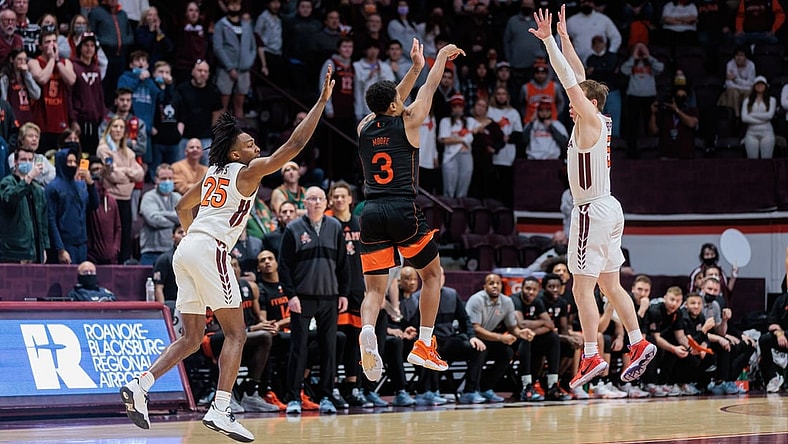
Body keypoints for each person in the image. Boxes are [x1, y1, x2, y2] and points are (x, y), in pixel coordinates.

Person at [119, 67, 334, 442]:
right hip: (208, 250)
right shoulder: (246, 172)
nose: (257, 149)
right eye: (251, 144)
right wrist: (320, 103)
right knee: (237, 333)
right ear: (237, 152)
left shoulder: (214, 171)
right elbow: (294, 147)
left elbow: (184, 206)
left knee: (190, 336)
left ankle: (141, 384)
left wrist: (192, 235)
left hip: (186, 249)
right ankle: (221, 408)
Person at [530, 6, 656, 391]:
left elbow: (570, 81)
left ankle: (590, 354)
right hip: (609, 207)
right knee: (610, 285)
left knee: (580, 288)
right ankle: (638, 342)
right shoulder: (598, 119)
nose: (571, 103)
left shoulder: (587, 117)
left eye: (579, 100)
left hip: (589, 212)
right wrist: (566, 38)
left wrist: (549, 41)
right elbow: (581, 77)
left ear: (591, 104)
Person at [355, 39, 465, 382]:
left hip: (370, 211)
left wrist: (414, 68)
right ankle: (424, 342)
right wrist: (438, 60)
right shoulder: (411, 121)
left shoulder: (363, 127)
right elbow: (430, 88)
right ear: (394, 104)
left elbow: (389, 101)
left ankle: (368, 330)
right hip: (402, 208)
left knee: (373, 291)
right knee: (432, 276)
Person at [279, 186, 350, 415]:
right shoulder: (293, 229)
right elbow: (284, 266)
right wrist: (291, 295)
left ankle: (327, 396)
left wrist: (344, 293)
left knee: (329, 347)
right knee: (298, 348)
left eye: (320, 199)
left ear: (326, 202)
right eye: (312, 199)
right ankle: (294, 398)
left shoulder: (336, 227)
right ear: (305, 203)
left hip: (330, 297)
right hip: (303, 297)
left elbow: (343, 264)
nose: (317, 202)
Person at [0, 144, 48, 263]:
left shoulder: (37, 189)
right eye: (23, 159)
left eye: (30, 160)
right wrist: (27, 179)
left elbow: (43, 222)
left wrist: (44, 247)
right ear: (15, 162)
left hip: (34, 251)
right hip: (13, 251)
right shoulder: (7, 182)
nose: (27, 163)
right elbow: (9, 200)